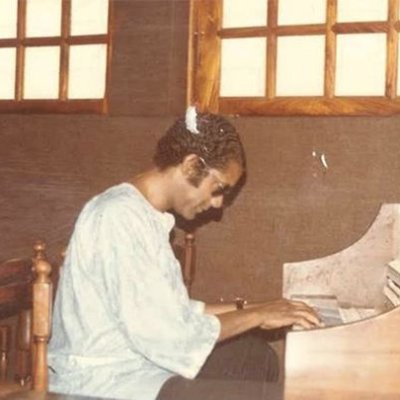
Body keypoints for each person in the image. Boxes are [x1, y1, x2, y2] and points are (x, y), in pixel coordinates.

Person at [48, 107, 321, 400]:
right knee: (268, 396)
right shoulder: (117, 216)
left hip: (139, 367)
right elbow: (165, 335)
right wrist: (257, 315)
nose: (218, 203)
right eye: (218, 188)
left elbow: (171, 311)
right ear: (191, 165)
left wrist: (257, 308)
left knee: (255, 357)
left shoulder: (142, 214)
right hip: (104, 384)